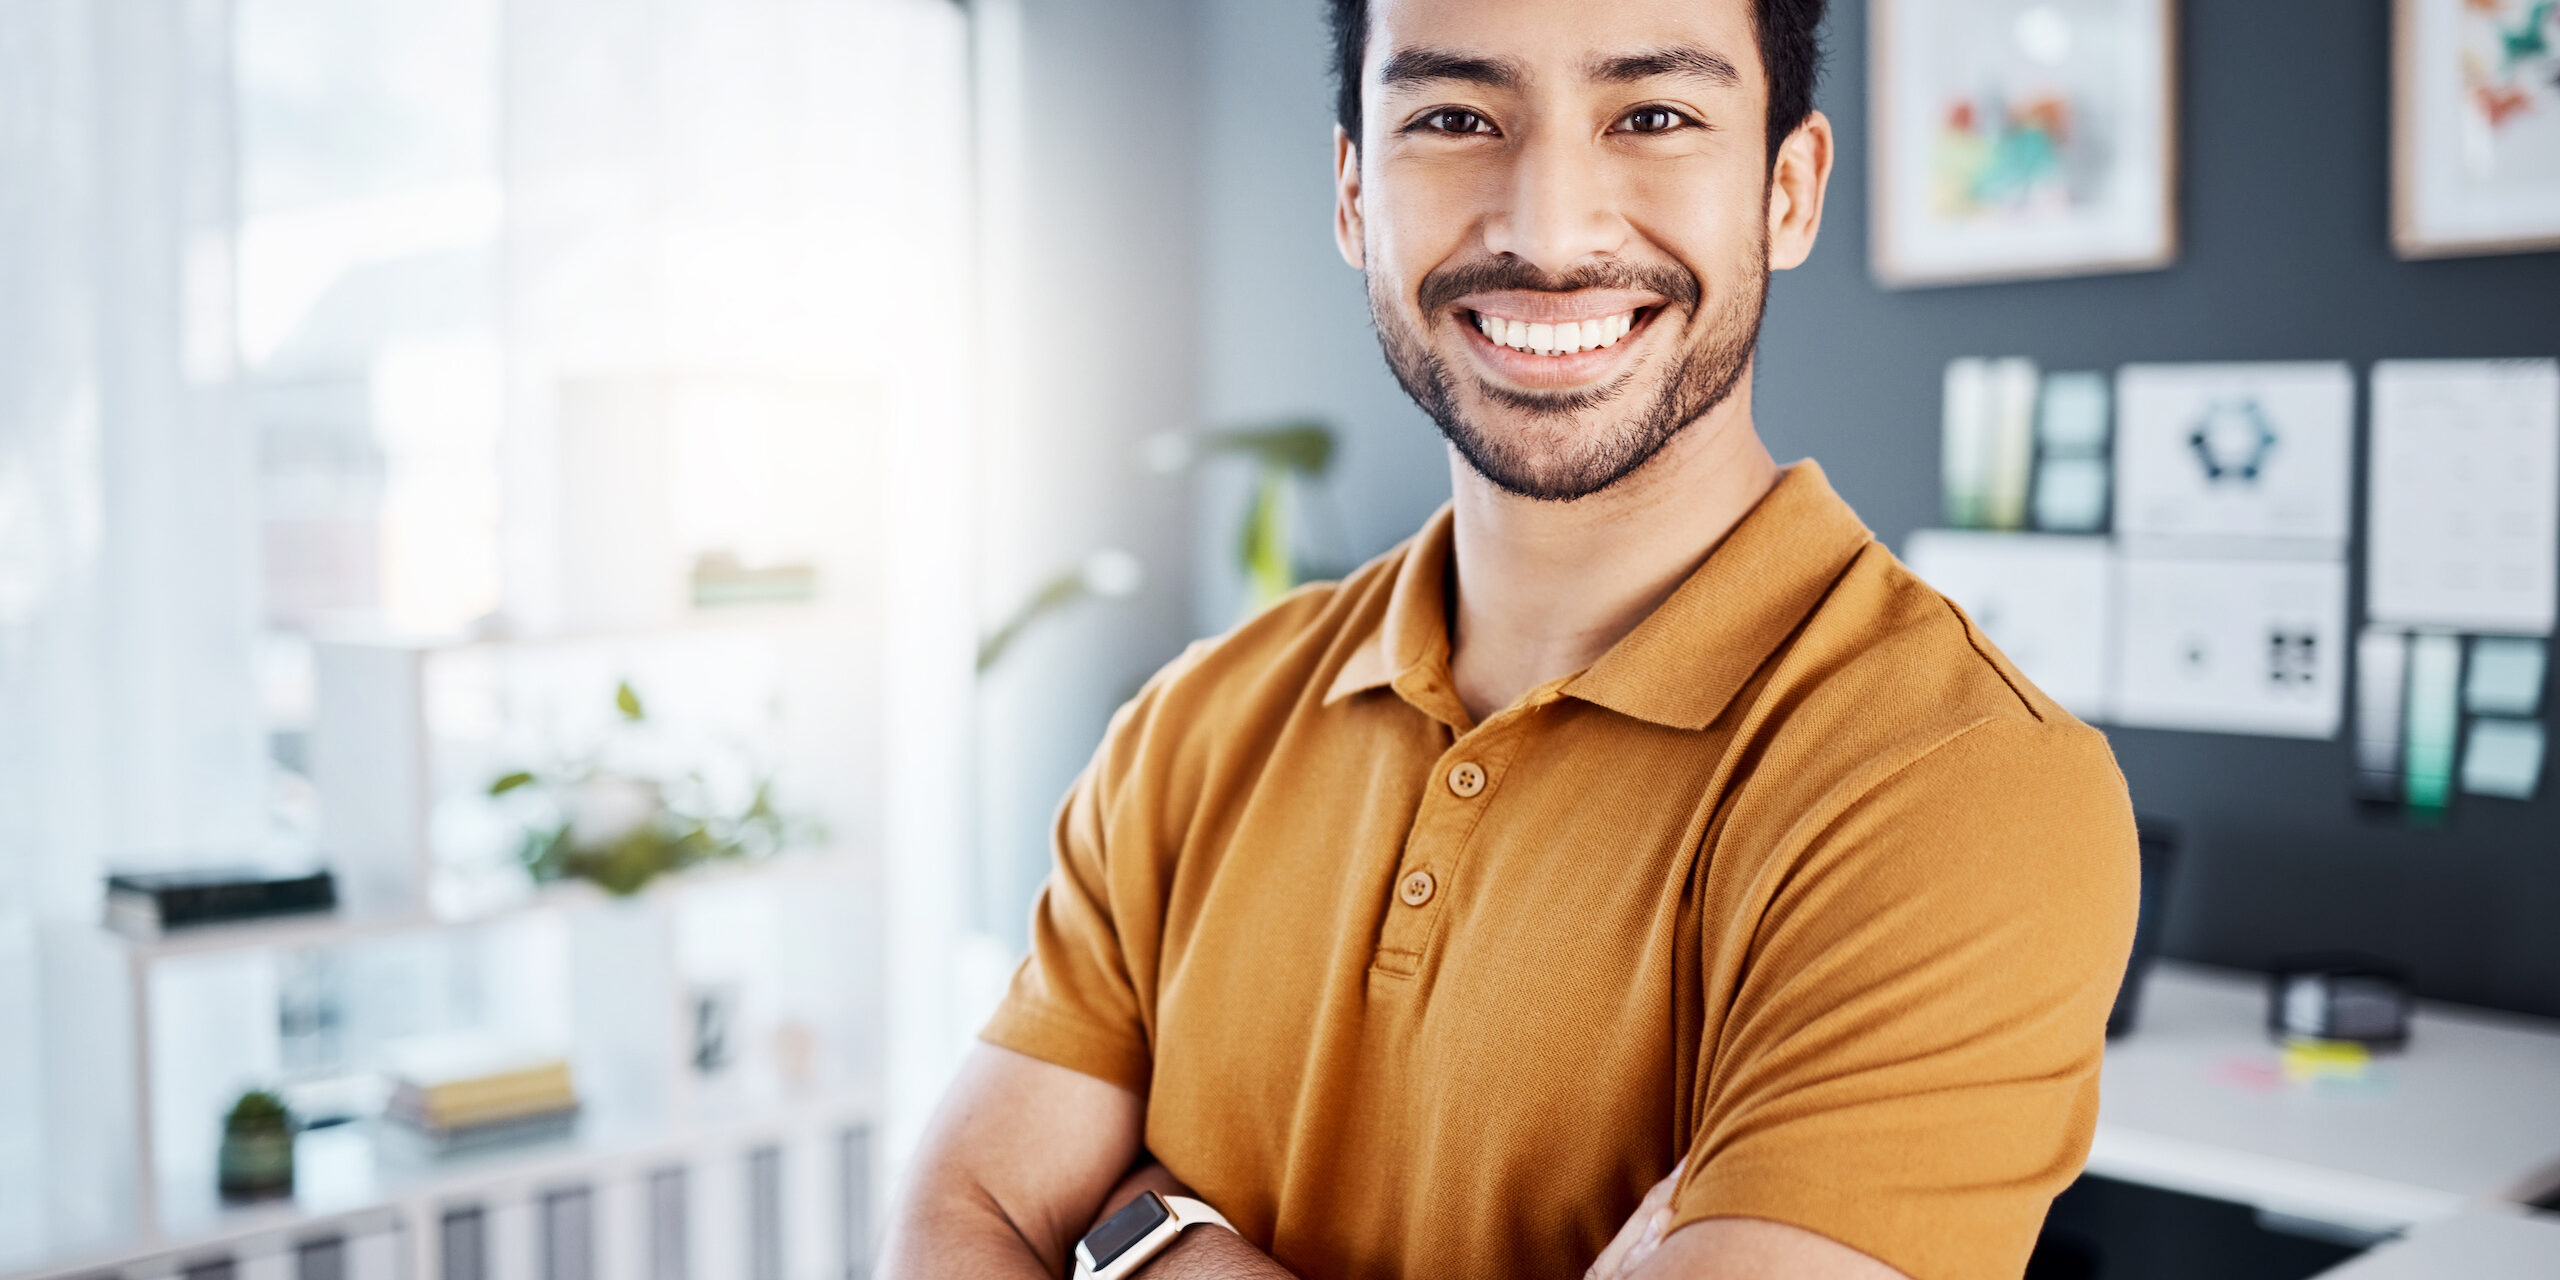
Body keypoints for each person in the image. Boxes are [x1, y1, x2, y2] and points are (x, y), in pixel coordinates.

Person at [881, 0, 2137, 1275]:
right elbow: (959, 1218)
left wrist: (1142, 1245)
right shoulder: (1192, 726)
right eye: (1453, 117)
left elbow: (1030, 1223)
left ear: (1788, 191)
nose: (1547, 229)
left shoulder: (1963, 782)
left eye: (1652, 116)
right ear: (1354, 193)